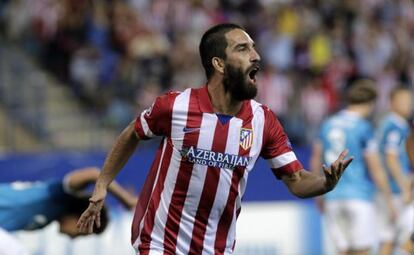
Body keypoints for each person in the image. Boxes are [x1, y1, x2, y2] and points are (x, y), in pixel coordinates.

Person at [77, 23, 353, 255]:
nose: (255, 55)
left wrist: (325, 183)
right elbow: (132, 134)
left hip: (217, 248)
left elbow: (297, 180)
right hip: (160, 243)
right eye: (243, 49)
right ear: (218, 63)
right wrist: (102, 184)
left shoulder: (263, 121)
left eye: (254, 47)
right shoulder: (176, 106)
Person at [310, 79, 395, 255]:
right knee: (362, 250)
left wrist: (318, 194)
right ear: (371, 103)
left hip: (332, 197)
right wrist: (388, 199)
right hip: (359, 197)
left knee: (343, 251)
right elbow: (375, 167)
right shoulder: (364, 127)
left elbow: (315, 159)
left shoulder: (328, 124)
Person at [0, 166, 137, 255]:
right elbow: (93, 174)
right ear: (81, 217)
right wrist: (127, 201)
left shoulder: (46, 220)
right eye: (82, 234)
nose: (74, 238)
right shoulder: (58, 195)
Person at [376, 86, 413, 255]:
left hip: (387, 190)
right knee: (407, 240)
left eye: (410, 101)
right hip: (395, 191)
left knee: (388, 238)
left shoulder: (386, 124)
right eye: (403, 101)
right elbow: (391, 158)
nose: (408, 105)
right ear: (392, 103)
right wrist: (405, 185)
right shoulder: (395, 126)